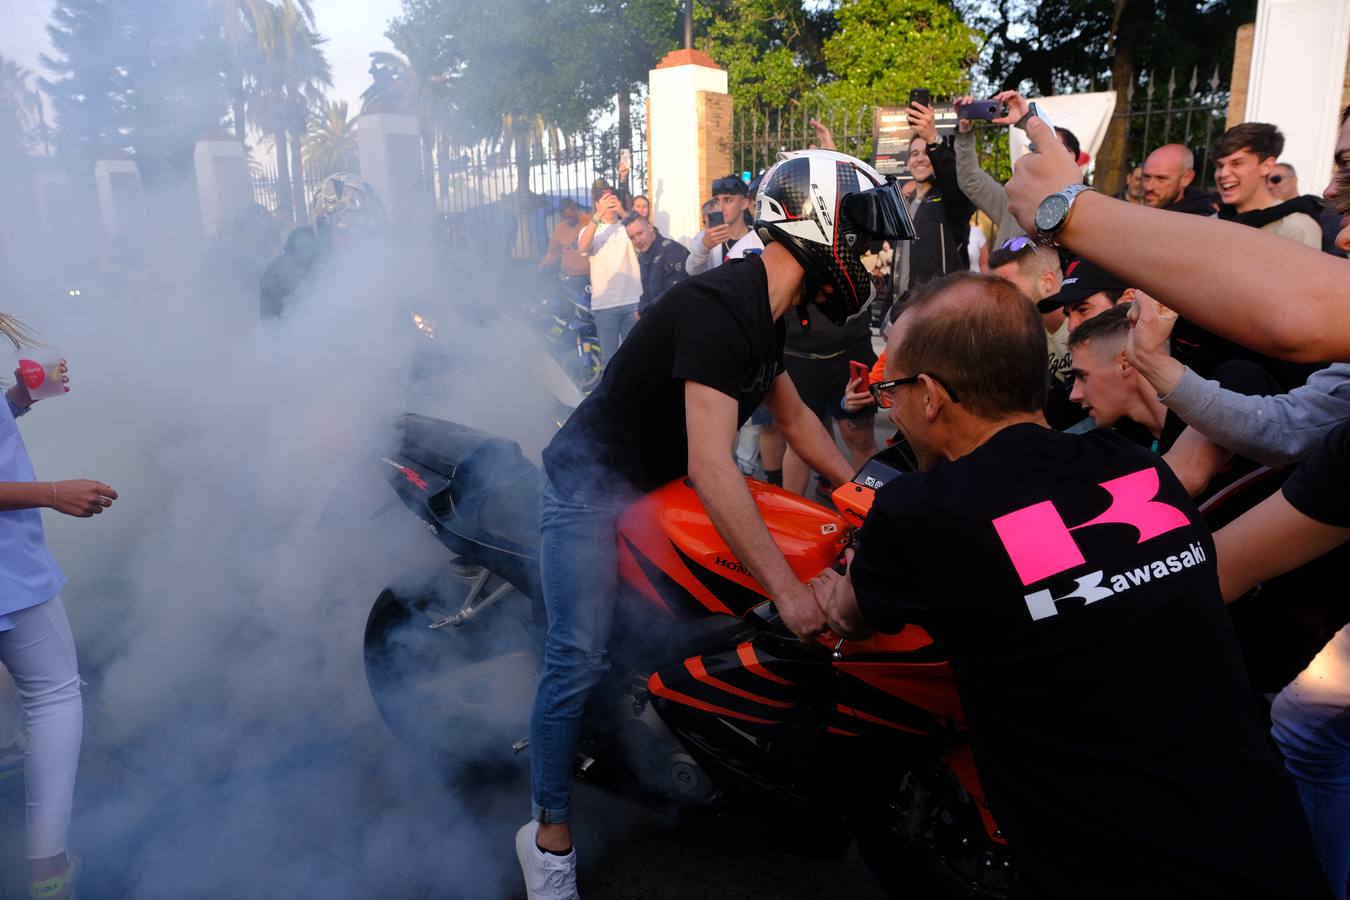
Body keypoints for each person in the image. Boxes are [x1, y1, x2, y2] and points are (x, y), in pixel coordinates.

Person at [812, 272, 1330, 900]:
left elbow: (849, 617)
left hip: (1115, 871)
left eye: (891, 389)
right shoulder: (1137, 467)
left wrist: (821, 592)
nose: (888, 403)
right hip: (1266, 842)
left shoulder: (923, 511)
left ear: (930, 395)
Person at [516, 149, 909, 900]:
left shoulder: (762, 309)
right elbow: (714, 465)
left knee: (718, 617)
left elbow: (791, 416)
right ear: (817, 225)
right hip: (592, 486)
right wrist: (792, 597)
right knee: (576, 655)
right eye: (860, 234)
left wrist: (861, 492)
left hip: (656, 486)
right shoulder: (719, 308)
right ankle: (549, 836)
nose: (870, 253)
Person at [0, 314, 119, 900]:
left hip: (12, 568)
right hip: (6, 571)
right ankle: (48, 873)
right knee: (52, 695)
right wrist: (52, 493)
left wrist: (18, 400)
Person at [1067, 301, 1279, 494]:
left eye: (1082, 376)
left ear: (1125, 362)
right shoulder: (1127, 445)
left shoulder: (1235, 384)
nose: (1074, 395)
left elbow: (1189, 476)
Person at [953, 90, 1086, 246]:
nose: (1041, 153)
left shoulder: (1083, 209)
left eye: (1053, 147)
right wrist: (965, 133)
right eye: (1035, 148)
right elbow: (971, 180)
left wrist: (1028, 121)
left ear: (1072, 156)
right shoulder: (1014, 204)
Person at [259, 173, 383, 324]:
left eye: (363, 231)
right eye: (345, 231)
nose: (355, 241)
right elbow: (280, 336)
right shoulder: (281, 275)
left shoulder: (375, 269)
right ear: (324, 228)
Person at [987, 237, 1077, 428]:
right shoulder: (1021, 327)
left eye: (1007, 288)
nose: (996, 300)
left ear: (1047, 281)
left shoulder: (1083, 321)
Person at [894, 102, 976, 299]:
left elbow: (952, 178)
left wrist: (933, 138)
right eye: (914, 154)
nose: (920, 159)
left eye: (926, 153)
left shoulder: (949, 199)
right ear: (908, 162)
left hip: (939, 312)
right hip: (901, 310)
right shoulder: (904, 204)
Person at [1213, 122, 1322, 249]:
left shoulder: (1297, 228)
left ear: (1266, 166)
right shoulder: (1210, 223)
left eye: (1236, 163)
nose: (1223, 174)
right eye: (1220, 166)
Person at [576, 184, 642, 366]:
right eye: (604, 199)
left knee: (636, 355)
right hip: (605, 304)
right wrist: (597, 216)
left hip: (633, 301)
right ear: (596, 204)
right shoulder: (590, 229)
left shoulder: (626, 226)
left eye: (612, 197)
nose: (610, 202)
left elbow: (644, 235)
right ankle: (612, 394)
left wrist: (622, 210)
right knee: (611, 360)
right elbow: (582, 247)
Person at [685, 175, 755, 275]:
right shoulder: (704, 237)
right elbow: (691, 270)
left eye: (728, 200)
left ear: (744, 204)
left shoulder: (757, 237)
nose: (721, 208)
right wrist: (704, 247)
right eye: (717, 201)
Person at [623, 212, 687, 316]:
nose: (637, 240)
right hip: (657, 319)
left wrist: (645, 312)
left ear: (650, 228)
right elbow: (647, 292)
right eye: (632, 237)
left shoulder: (672, 250)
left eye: (639, 233)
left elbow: (673, 292)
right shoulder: (643, 256)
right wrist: (640, 310)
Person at [1141, 144, 1215, 215]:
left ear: (1186, 178)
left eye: (1161, 179)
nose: (1149, 187)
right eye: (1147, 177)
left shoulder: (1201, 221)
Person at [538, 199, 592, 297]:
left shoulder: (589, 223)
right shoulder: (560, 228)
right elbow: (553, 253)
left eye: (569, 217)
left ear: (576, 210)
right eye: (564, 217)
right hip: (569, 277)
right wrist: (542, 265)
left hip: (590, 276)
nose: (567, 220)